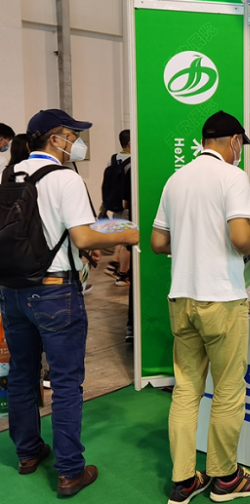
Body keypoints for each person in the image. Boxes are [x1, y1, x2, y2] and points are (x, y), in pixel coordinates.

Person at [0, 109, 140, 497]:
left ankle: (28, 452)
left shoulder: (12, 173)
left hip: (13, 290)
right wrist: (126, 235)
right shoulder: (64, 178)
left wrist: (80, 248)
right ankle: (70, 471)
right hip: (54, 293)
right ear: (56, 138)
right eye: (73, 135)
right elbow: (84, 236)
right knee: (65, 382)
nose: (78, 143)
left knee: (23, 374)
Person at [151, 111, 250, 504]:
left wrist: (194, 240)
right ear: (234, 141)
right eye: (241, 145)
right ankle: (226, 477)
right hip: (221, 299)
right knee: (228, 391)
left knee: (186, 390)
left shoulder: (176, 179)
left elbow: (157, 242)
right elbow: (240, 237)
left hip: (182, 297)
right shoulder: (232, 177)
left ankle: (184, 480)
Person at [103, 130, 133, 286]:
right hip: (127, 207)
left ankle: (114, 265)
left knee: (121, 239)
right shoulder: (133, 162)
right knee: (127, 243)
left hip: (114, 206)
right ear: (130, 143)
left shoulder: (113, 159)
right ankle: (122, 275)